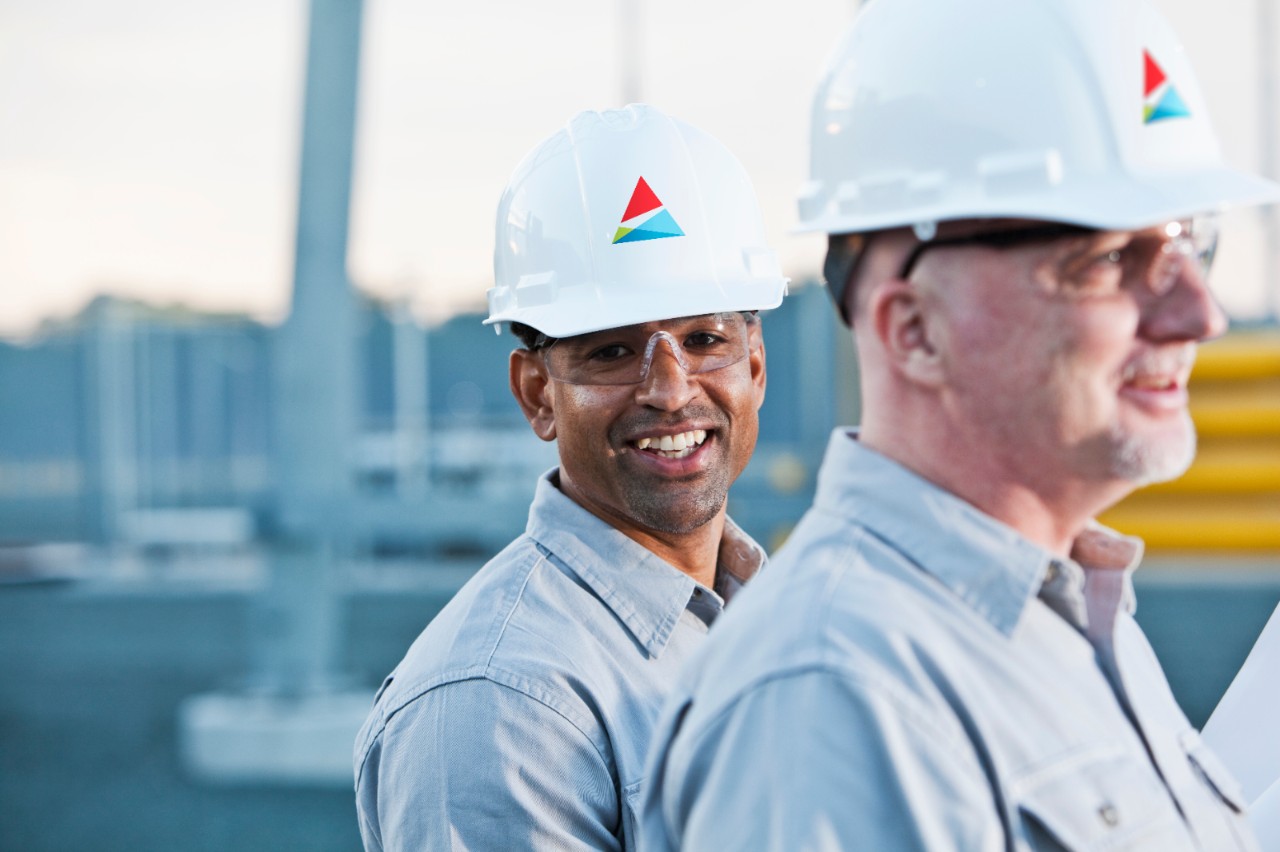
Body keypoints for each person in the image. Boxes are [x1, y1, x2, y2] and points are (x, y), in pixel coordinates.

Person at [641, 0, 1279, 848]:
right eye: (1113, 257)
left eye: (1191, 244)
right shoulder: (832, 705)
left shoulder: (1070, 616)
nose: (1200, 314)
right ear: (915, 329)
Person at [353, 104, 787, 851]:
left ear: (754, 365)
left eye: (703, 338)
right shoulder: (498, 705)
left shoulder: (766, 614)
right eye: (613, 352)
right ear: (537, 394)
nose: (670, 389)